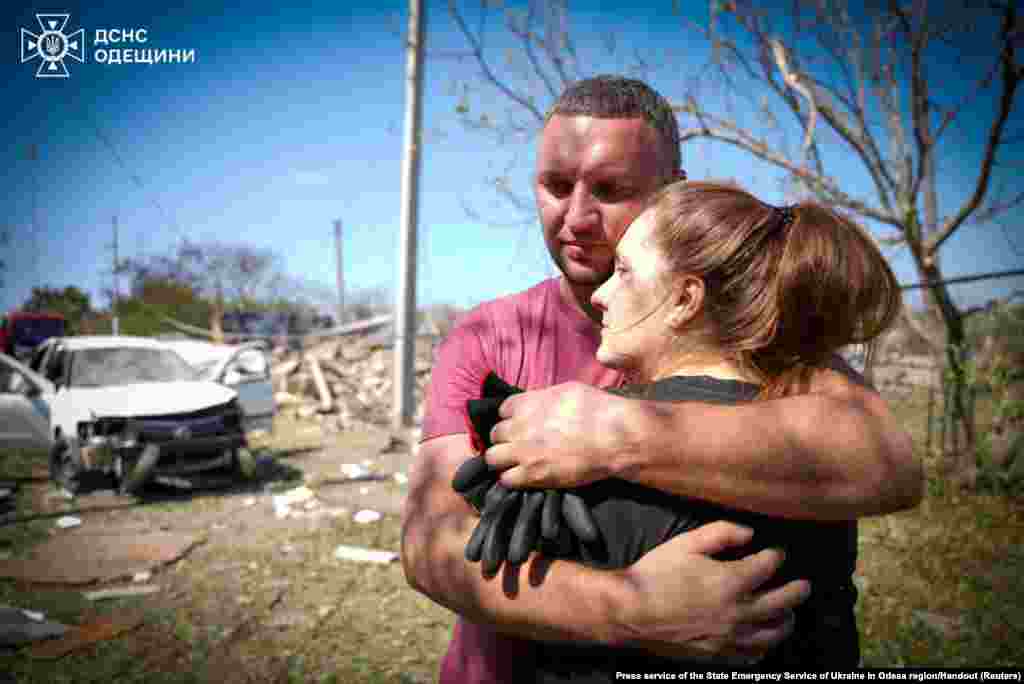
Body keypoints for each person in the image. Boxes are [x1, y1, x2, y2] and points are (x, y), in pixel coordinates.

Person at [401, 75, 921, 682]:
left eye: (610, 189)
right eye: (555, 186)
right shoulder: (489, 336)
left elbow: (888, 466)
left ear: (672, 193)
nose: (576, 216)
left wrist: (619, 435)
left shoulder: (759, 335)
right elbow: (429, 543)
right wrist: (629, 608)